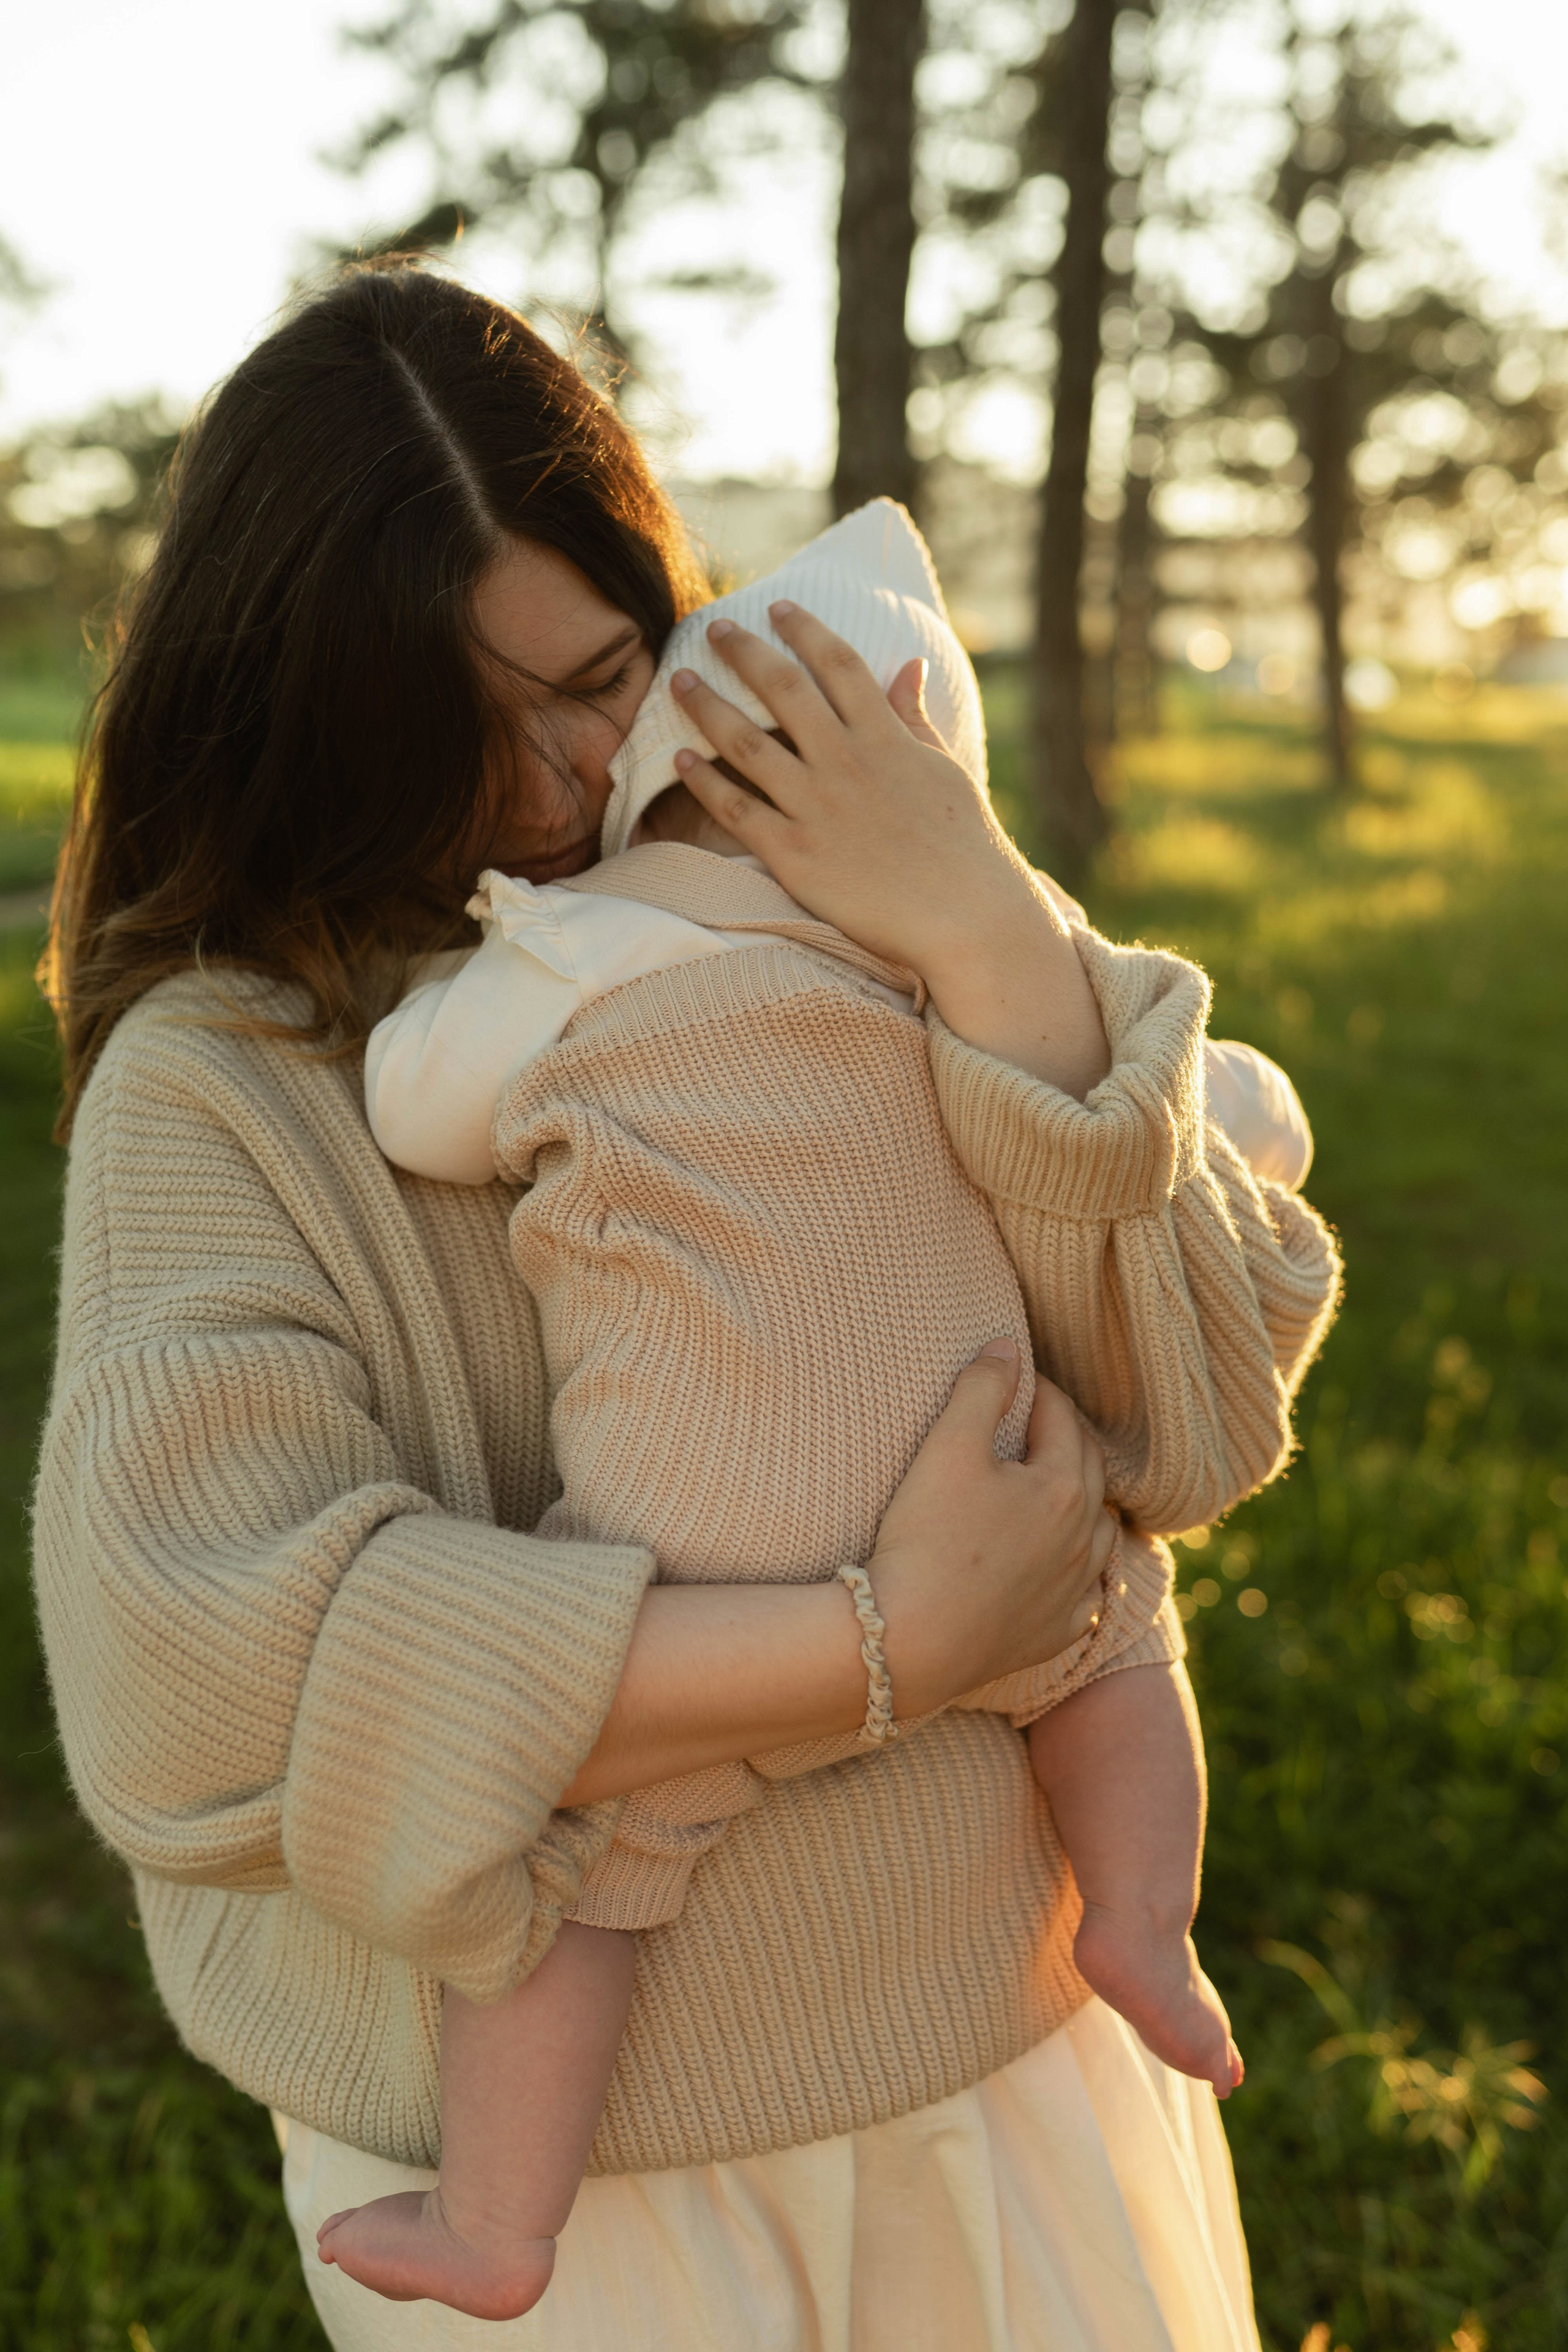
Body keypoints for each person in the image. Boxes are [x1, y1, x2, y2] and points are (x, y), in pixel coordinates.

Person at [32, 261, 1338, 2352]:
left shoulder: (845, 874)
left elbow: (1188, 1415)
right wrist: (888, 1647)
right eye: (453, 732)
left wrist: (991, 933)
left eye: (600, 675)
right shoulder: (229, 1080)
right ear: (296, 718)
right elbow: (208, 1674)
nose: (559, 791)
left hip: (1002, 2045)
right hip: (567, 2189)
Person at [318, 499, 1317, 2320]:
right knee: (1112, 1645)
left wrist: (469, 975)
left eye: (601, 694)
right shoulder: (938, 965)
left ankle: (494, 2221)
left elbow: (414, 1106)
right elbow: (1198, 1129)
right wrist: (1237, 1107)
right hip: (994, 1459)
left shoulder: (579, 943)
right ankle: (1150, 1930)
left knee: (582, 1866)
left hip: (701, 1541)